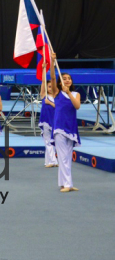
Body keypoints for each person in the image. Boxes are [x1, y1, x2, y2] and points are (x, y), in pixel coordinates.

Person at [49, 53, 81, 192]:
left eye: (69, 79)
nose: (67, 80)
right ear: (60, 82)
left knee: (67, 156)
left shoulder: (75, 94)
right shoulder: (56, 92)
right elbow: (52, 77)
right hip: (59, 127)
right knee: (62, 156)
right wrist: (52, 61)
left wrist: (69, 93)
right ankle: (67, 184)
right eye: (65, 78)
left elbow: (77, 106)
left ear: (71, 82)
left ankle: (65, 183)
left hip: (71, 128)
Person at [38, 64, 58, 168]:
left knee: (52, 142)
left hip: (54, 121)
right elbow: (43, 82)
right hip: (45, 120)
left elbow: (59, 108)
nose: (50, 88)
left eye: (51, 87)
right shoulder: (44, 95)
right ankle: (53, 161)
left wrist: (50, 103)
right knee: (48, 141)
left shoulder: (57, 97)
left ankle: (48, 161)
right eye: (48, 87)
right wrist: (43, 70)